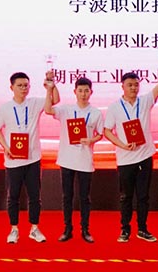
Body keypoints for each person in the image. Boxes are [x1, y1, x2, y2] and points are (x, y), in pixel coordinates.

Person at [103, 55, 158, 243]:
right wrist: (122, 145)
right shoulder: (115, 107)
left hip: (145, 156)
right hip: (125, 159)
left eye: (136, 85)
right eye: (130, 85)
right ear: (122, 87)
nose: (133, 88)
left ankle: (142, 229)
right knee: (126, 197)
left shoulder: (146, 101)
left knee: (143, 196)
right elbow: (107, 131)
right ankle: (125, 230)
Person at [0, 71, 59, 244]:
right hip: (13, 160)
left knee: (34, 196)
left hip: (33, 159)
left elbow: (54, 101)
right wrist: (6, 147)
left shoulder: (35, 103)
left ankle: (34, 228)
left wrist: (51, 86)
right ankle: (14, 229)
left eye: (26, 85)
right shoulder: (5, 108)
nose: (23, 88)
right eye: (20, 85)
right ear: (12, 87)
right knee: (13, 196)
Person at [44, 77, 104, 243]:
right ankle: (67, 229)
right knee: (67, 196)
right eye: (80, 90)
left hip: (85, 160)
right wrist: (50, 89)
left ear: (91, 92)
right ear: (75, 92)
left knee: (84, 197)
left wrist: (91, 140)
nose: (83, 94)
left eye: (86, 91)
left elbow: (100, 134)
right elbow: (48, 109)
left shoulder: (96, 113)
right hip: (66, 159)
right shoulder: (66, 110)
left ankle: (85, 230)